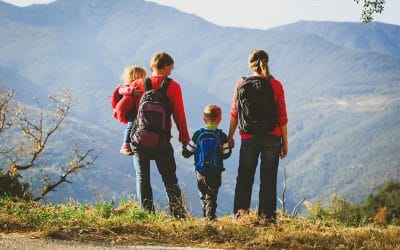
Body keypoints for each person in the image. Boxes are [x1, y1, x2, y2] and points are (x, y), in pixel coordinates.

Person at [228, 49, 288, 223]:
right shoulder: (275, 84)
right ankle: (267, 219)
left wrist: (230, 136)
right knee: (268, 180)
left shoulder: (241, 83)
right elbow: (282, 116)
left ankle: (240, 218)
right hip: (272, 137)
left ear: (250, 64)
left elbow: (234, 113)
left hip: (248, 137)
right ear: (267, 61)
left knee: (244, 179)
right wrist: (285, 142)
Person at [129, 51, 190, 218]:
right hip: (162, 142)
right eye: (171, 67)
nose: (172, 70)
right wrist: (185, 139)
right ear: (166, 65)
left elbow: (127, 111)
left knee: (142, 177)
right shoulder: (173, 86)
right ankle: (178, 215)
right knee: (170, 179)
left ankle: (147, 216)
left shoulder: (138, 84)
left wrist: (127, 139)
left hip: (140, 140)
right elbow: (179, 115)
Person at [182, 104, 231, 220]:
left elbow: (186, 153)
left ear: (204, 119)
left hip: (200, 171)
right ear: (220, 119)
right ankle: (210, 217)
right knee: (212, 195)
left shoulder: (197, 134)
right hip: (215, 171)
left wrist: (186, 149)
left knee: (203, 194)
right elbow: (226, 154)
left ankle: (206, 216)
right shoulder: (222, 136)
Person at [111, 65, 146, 155]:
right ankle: (125, 144)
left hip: (138, 110)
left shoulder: (140, 86)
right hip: (131, 111)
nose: (144, 79)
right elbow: (121, 90)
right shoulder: (126, 86)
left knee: (136, 126)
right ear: (136, 76)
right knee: (131, 125)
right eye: (142, 76)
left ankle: (135, 142)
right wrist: (131, 91)